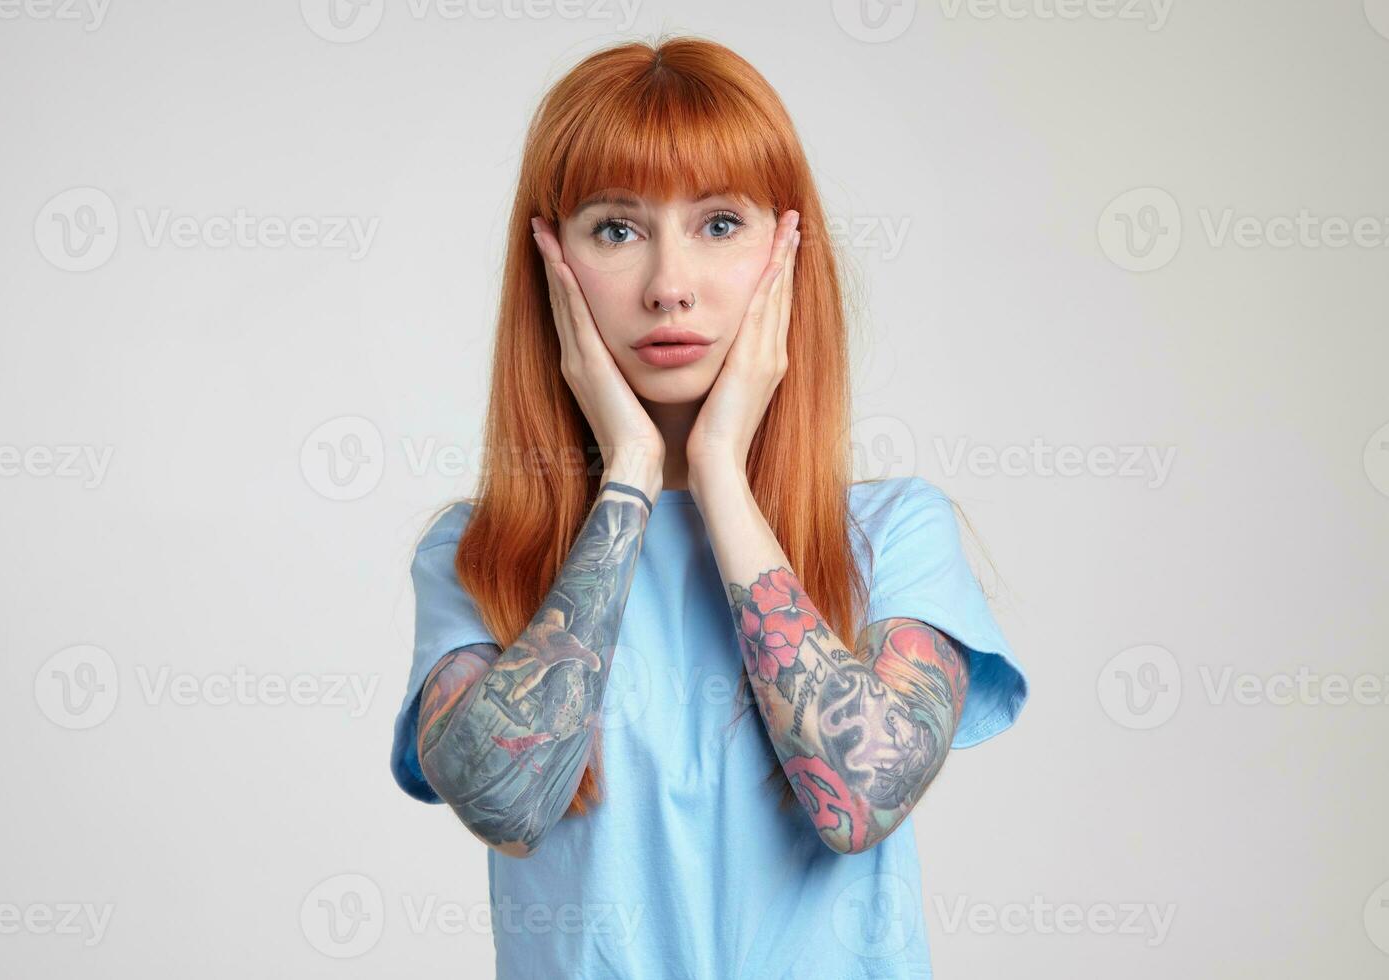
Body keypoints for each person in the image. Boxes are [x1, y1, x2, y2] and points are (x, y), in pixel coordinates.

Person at [390, 35, 1029, 979]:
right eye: (616, 228)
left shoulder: (894, 533)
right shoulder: (480, 555)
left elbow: (858, 803)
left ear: (786, 246)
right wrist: (632, 474)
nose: (668, 284)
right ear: (550, 261)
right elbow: (507, 802)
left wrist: (721, 470)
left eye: (719, 223)